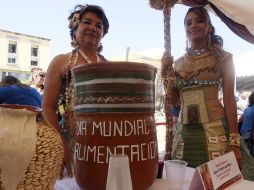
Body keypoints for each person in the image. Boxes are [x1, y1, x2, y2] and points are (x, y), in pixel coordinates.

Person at [161, 6, 254, 180]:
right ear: (185, 30)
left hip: (216, 132)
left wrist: (233, 142)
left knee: (218, 181)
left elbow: (229, 99)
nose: (193, 25)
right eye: (189, 23)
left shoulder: (224, 58)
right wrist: (165, 73)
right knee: (184, 182)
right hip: (183, 136)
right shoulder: (178, 63)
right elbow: (174, 101)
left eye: (199, 20)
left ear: (209, 27)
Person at [42, 4, 109, 179]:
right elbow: (48, 107)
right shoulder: (61, 61)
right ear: (75, 28)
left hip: (105, 140)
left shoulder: (108, 65)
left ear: (103, 34)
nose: (93, 27)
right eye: (87, 22)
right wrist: (61, 145)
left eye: (99, 25)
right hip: (73, 140)